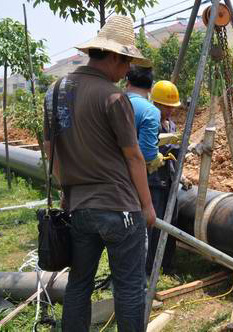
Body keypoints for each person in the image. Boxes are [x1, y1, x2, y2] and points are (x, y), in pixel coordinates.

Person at [43, 16, 156, 332]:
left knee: (79, 282)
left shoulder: (54, 93)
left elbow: (50, 151)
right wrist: (147, 206)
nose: (127, 71)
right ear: (115, 57)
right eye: (127, 62)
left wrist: (67, 191)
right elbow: (133, 155)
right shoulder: (113, 96)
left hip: (79, 208)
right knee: (130, 286)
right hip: (120, 207)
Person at [145, 80, 183, 275]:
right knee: (155, 225)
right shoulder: (149, 123)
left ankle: (168, 265)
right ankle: (151, 268)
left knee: (171, 223)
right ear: (156, 104)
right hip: (153, 183)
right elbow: (149, 148)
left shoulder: (171, 125)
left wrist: (180, 175)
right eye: (166, 106)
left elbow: (174, 153)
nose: (169, 111)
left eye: (171, 107)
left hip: (169, 180)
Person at [125, 65, 161, 166]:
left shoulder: (111, 101)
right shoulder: (150, 111)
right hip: (125, 174)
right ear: (150, 88)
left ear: (127, 83)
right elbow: (147, 154)